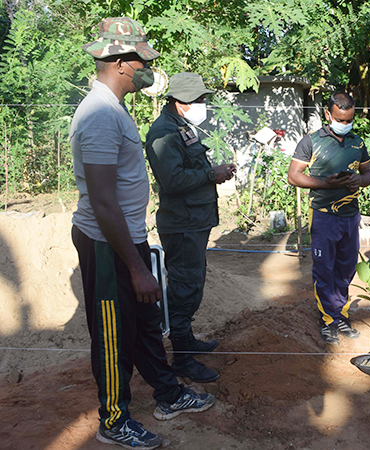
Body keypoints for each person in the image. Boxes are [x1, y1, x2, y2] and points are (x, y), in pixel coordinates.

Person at [71, 17, 214, 449]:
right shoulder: (98, 114)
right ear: (118, 62)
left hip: (125, 238)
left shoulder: (113, 110)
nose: (145, 67)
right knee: (115, 335)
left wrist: (137, 252)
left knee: (148, 324)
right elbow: (102, 200)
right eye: (139, 59)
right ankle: (114, 420)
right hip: (106, 241)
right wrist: (136, 267)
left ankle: (168, 393)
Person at [145, 73, 235, 383]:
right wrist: (213, 175)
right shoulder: (162, 134)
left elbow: (189, 168)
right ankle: (181, 358)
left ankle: (187, 340)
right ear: (181, 102)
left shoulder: (182, 127)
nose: (204, 105)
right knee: (184, 288)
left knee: (192, 285)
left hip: (194, 222)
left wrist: (213, 173)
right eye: (200, 100)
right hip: (181, 224)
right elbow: (173, 181)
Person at [287, 92, 370, 346]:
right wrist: (325, 184)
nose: (345, 124)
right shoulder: (311, 142)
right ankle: (328, 320)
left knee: (346, 268)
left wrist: (360, 180)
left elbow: (368, 172)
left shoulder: (357, 143)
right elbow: (294, 176)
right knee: (324, 268)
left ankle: (341, 314)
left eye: (349, 120)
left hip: (350, 215)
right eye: (339, 119)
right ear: (328, 115)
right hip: (324, 215)